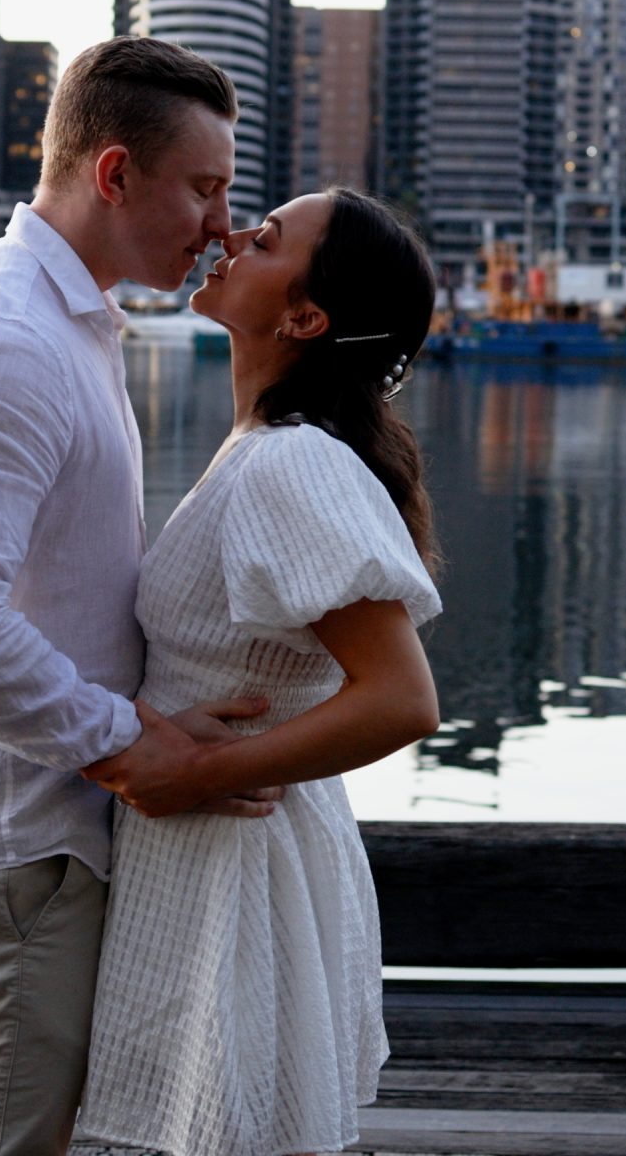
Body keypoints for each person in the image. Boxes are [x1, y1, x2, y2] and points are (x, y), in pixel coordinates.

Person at [0, 35, 284, 1156]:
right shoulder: (8, 337)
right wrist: (125, 744)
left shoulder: (62, 321)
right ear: (113, 174)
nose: (219, 222)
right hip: (9, 857)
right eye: (203, 188)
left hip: (14, 848)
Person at [78, 187, 446, 1156]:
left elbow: (402, 699)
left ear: (304, 316)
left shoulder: (292, 465)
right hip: (216, 852)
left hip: (236, 856)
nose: (234, 235)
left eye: (268, 238)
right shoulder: (263, 450)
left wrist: (198, 773)